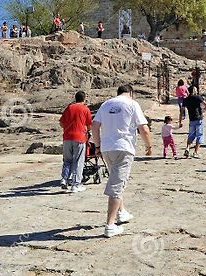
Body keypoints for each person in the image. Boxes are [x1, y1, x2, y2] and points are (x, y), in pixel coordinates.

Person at [91, 85, 152, 238]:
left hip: (107, 148)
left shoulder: (106, 104)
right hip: (124, 147)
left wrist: (97, 146)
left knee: (116, 179)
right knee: (117, 184)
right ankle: (110, 225)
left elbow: (95, 125)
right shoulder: (132, 104)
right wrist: (148, 146)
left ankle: (122, 212)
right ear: (131, 93)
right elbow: (143, 128)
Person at [59, 91, 93, 193]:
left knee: (67, 160)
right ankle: (75, 184)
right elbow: (89, 125)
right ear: (84, 99)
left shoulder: (69, 108)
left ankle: (64, 179)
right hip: (79, 138)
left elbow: (61, 123)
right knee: (78, 161)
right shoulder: (85, 109)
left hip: (67, 137)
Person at [182, 86, 206, 158]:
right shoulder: (198, 97)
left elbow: (182, 110)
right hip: (198, 118)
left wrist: (180, 120)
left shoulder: (186, 99)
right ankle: (195, 152)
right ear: (194, 90)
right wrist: (203, 112)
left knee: (191, 135)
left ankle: (187, 148)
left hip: (191, 119)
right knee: (199, 135)